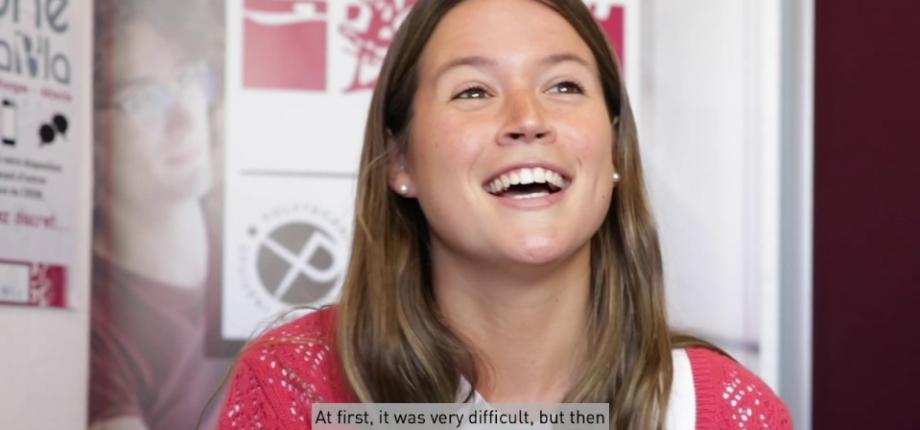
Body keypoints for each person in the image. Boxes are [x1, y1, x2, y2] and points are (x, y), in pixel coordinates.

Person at [219, 0, 793, 429]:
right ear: (401, 161)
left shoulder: (727, 410)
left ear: (614, 149)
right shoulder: (295, 387)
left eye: (564, 85)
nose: (527, 117)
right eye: (473, 92)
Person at [89, 0, 229, 429]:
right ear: (88, 132)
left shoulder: (249, 250)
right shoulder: (94, 327)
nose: (186, 118)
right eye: (144, 98)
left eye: (188, 77)